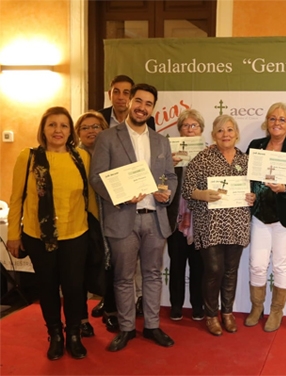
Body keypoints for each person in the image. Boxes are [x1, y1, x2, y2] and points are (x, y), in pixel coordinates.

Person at [90, 83, 177, 352]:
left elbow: (171, 177)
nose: (142, 107)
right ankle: (127, 328)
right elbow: (97, 178)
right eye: (138, 101)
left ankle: (151, 326)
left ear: (153, 108)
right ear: (129, 102)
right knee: (123, 277)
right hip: (122, 217)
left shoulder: (161, 141)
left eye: (148, 104)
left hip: (155, 217)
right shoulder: (108, 137)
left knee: (152, 275)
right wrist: (121, 195)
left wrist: (168, 194)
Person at [7, 107, 98, 360]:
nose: (58, 130)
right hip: (38, 237)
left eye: (64, 126)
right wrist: (13, 235)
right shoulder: (29, 157)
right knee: (47, 287)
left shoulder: (81, 157)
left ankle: (74, 334)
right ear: (43, 129)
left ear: (71, 131)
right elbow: (16, 199)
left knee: (73, 287)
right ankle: (55, 334)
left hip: (75, 235)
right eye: (52, 125)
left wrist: (100, 230)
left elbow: (89, 197)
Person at [182, 114, 256, 336]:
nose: (226, 134)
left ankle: (228, 313)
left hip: (237, 223)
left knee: (231, 271)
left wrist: (252, 197)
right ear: (214, 135)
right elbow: (187, 190)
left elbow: (254, 190)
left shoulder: (245, 160)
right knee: (214, 270)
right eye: (221, 130)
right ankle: (211, 315)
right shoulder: (202, 158)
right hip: (210, 223)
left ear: (237, 134)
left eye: (230, 130)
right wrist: (203, 194)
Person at [245, 103, 286, 332]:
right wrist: (249, 194)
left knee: (281, 265)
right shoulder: (256, 146)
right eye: (273, 118)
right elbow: (248, 177)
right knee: (256, 264)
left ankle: (276, 311)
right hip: (260, 215)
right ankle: (256, 308)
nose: (277, 123)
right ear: (267, 122)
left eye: (282, 119)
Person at [93, 74, 150, 319]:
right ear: (110, 94)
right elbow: (97, 172)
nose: (121, 97)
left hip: (142, 205)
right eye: (117, 91)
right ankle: (111, 307)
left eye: (126, 92)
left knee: (139, 269)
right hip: (111, 204)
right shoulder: (99, 121)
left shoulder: (148, 123)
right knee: (112, 263)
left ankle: (134, 307)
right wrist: (120, 194)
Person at [166, 109, 205, 321]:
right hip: (175, 219)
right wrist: (168, 167)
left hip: (199, 220)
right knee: (176, 265)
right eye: (186, 126)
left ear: (201, 130)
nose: (190, 129)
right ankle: (176, 305)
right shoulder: (168, 155)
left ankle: (197, 306)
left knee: (199, 266)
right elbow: (159, 182)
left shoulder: (208, 154)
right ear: (179, 130)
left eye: (194, 126)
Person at [74, 110, 110, 337]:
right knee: (76, 273)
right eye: (85, 127)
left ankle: (111, 311)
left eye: (96, 126)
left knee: (110, 269)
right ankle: (80, 319)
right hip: (79, 223)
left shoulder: (113, 154)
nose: (91, 131)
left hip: (110, 221)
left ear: (104, 130)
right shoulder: (72, 156)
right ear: (78, 133)